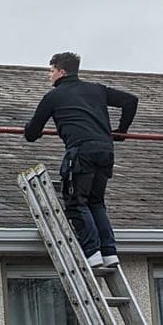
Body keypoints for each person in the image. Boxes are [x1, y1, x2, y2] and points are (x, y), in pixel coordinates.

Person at [24, 52, 138, 268]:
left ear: (61, 72)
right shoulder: (96, 90)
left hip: (81, 152)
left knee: (76, 202)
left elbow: (31, 133)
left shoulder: (54, 97)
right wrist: (121, 131)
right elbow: (130, 101)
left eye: (51, 71)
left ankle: (92, 253)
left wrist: (32, 130)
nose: (50, 76)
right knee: (96, 202)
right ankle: (109, 253)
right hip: (105, 151)